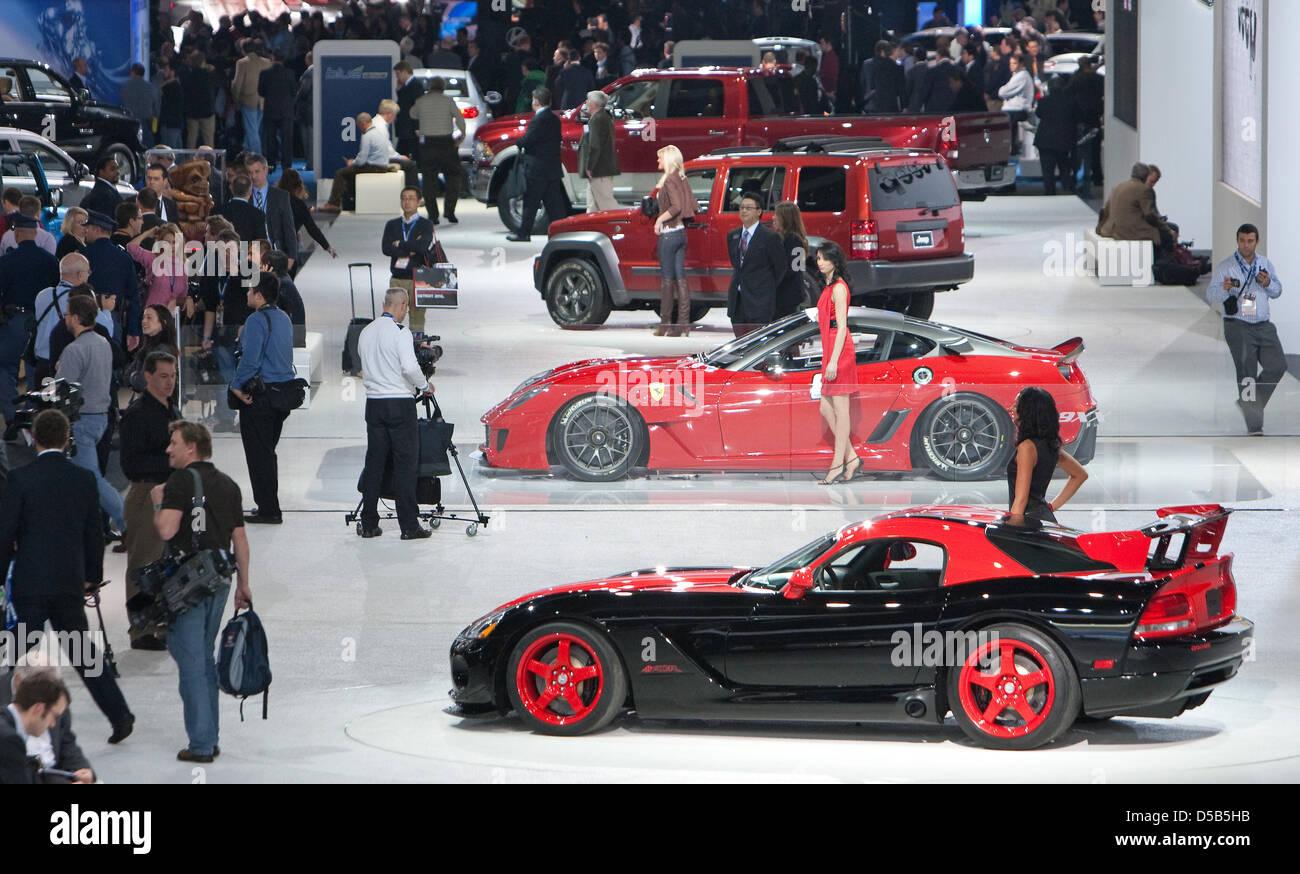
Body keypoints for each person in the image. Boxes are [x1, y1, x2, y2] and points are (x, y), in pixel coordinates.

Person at [0, 410, 134, 743]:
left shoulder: (20, 479)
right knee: (83, 653)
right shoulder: (83, 479)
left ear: (33, 438)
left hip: (30, 585)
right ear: (66, 438)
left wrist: (2, 578)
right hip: (68, 583)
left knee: (11, 654)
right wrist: (91, 577)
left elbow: (5, 533)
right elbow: (94, 533)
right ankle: (120, 716)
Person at [154, 420, 251, 762]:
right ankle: (210, 735)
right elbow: (240, 538)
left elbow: (167, 530)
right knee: (203, 657)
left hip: (188, 585)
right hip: (220, 579)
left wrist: (158, 502)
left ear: (191, 447)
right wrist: (244, 584)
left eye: (174, 443)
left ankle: (201, 744)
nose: (168, 449)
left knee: (192, 661)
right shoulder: (228, 485)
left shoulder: (179, 482)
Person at [356, 287, 435, 541]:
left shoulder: (366, 332)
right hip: (399, 405)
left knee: (374, 464)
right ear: (400, 306)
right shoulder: (400, 332)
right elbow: (409, 367)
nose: (406, 312)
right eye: (406, 307)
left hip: (374, 405)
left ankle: (369, 523)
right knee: (405, 466)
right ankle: (409, 526)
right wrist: (424, 385)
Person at [119, 351, 180, 649]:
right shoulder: (137, 415)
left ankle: (161, 620)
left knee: (165, 560)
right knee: (143, 562)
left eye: (173, 376)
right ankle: (141, 629)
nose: (170, 382)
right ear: (148, 377)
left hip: (170, 492)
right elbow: (131, 465)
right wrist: (171, 460)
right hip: (146, 494)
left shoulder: (171, 409)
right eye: (163, 376)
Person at [56, 295, 126, 535]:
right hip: (102, 417)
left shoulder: (74, 350)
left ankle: (127, 521)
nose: (65, 318)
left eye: (67, 314)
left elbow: (62, 390)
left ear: (76, 318)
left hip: (81, 421)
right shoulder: (103, 343)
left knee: (92, 480)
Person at [229, 272, 296, 524]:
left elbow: (250, 360)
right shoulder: (284, 318)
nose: (247, 294)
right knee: (267, 452)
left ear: (259, 295)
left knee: (259, 455)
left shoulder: (256, 320)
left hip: (260, 397)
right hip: (282, 395)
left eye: (250, 290)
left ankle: (269, 509)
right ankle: (268, 505)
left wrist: (236, 386)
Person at [1208, 224, 1286, 435]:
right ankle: (1254, 425)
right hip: (1238, 325)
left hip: (1263, 324)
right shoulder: (1227, 266)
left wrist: (1267, 283)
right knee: (1247, 373)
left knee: (1277, 365)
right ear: (1237, 241)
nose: (1246, 245)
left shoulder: (1265, 264)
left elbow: (1277, 291)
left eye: (1250, 241)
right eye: (1242, 240)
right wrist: (1223, 289)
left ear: (1256, 241)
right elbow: (1211, 295)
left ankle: (1249, 403)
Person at [0, 215, 59, 419]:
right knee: (39, 368)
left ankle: (12, 416)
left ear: (16, 234)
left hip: (14, 320)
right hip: (43, 321)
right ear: (35, 234)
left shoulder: (6, 261)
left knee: (5, 367)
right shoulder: (50, 261)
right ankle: (36, 414)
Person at [811, 243, 861, 484]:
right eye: (818, 258)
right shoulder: (829, 286)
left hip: (839, 351)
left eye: (824, 258)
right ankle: (851, 457)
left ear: (835, 261)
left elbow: (842, 327)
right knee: (825, 407)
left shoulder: (839, 288)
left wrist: (833, 361)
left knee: (841, 410)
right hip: (829, 347)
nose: (819, 262)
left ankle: (837, 464)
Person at [1007, 386, 1088, 524]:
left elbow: (1021, 500)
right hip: (1042, 519)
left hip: (1027, 523)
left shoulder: (1027, 447)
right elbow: (1080, 475)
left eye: (1016, 405)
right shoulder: (1050, 444)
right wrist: (1050, 507)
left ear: (1028, 411)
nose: (1011, 409)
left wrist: (1011, 529)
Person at [2, 667, 94, 784]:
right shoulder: (8, 739)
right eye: (54, 716)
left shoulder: (8, 727)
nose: (53, 724)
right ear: (38, 708)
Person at [508, 88, 566, 243]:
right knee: (554, 205)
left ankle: (523, 233)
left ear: (536, 101)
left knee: (530, 203)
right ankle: (562, 233)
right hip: (552, 167)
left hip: (537, 169)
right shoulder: (554, 119)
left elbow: (528, 140)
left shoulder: (538, 120)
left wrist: (519, 142)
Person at [649, 145, 696, 337]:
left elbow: (676, 207)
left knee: (667, 280)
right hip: (681, 233)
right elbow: (691, 205)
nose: (657, 161)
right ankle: (683, 324)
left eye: (660, 158)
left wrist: (659, 220)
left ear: (668, 159)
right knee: (681, 279)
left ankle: (665, 324)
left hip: (669, 234)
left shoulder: (669, 180)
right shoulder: (682, 177)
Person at [726, 192, 787, 338]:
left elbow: (780, 268)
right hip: (738, 301)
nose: (744, 211)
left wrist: (765, 287)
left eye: (748, 208)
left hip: (760, 301)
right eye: (741, 208)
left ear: (759, 211)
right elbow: (737, 265)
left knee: (758, 343)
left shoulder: (769, 237)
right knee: (740, 344)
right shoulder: (733, 235)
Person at [409, 77, 467, 224]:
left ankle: (433, 215)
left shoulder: (421, 101)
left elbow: (412, 114)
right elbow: (459, 118)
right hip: (446, 143)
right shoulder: (448, 101)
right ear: (443, 87)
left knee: (429, 180)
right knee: (453, 176)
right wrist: (462, 135)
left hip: (428, 145)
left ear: (429, 87)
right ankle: (450, 211)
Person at [382, 187, 440, 334]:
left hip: (419, 277)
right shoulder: (392, 224)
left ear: (419, 202)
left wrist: (400, 244)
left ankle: (417, 346)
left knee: (417, 318)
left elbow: (422, 247)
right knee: (392, 318)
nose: (407, 202)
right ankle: (392, 344)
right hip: (397, 277)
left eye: (411, 198)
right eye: (404, 198)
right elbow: (386, 248)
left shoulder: (426, 224)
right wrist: (411, 249)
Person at [83, 209, 142, 348]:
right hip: (114, 317)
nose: (85, 231)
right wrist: (133, 330)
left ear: (97, 229)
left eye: (88, 228)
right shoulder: (123, 258)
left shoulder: (83, 255)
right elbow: (133, 296)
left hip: (85, 316)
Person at [30, 253, 90, 387]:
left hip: (42, 363)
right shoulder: (81, 301)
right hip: (67, 364)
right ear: (80, 274)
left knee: (44, 399)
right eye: (88, 272)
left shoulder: (42, 295)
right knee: (67, 400)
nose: (88, 276)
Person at [1096, 162, 1169, 255]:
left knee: (1163, 230)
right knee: (1165, 233)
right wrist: (1168, 230)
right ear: (1146, 176)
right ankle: (1163, 260)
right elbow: (1150, 215)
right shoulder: (1144, 190)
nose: (1153, 184)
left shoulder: (1118, 187)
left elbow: (1105, 209)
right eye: (1152, 181)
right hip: (1128, 231)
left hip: (1111, 229)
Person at [277, 168, 336, 274]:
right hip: (288, 248)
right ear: (299, 186)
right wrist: (327, 246)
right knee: (287, 277)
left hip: (270, 244)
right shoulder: (299, 205)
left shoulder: (274, 199)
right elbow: (312, 229)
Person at [244, 154, 298, 265]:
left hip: (275, 253)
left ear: (266, 170)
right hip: (250, 254)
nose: (253, 176)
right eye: (250, 173)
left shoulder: (281, 196)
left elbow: (289, 228)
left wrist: (291, 257)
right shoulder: (244, 196)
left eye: (257, 171)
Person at [127, 223, 188, 310]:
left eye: (174, 242)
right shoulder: (154, 259)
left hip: (170, 316)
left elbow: (182, 297)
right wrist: (148, 233)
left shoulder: (183, 266)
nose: (171, 246)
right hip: (151, 313)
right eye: (167, 243)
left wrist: (180, 300)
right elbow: (131, 247)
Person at [1032, 79, 1076, 195]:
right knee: (1064, 168)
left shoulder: (1043, 101)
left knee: (1047, 171)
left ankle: (1050, 193)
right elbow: (1076, 117)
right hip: (1064, 139)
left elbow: (1038, 114)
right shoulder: (1070, 102)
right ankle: (1067, 191)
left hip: (1045, 140)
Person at [580, 91, 620, 213]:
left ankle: (619, 223)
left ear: (594, 104)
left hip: (599, 169)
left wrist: (590, 166)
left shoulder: (597, 120)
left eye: (588, 100)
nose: (586, 102)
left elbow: (595, 146)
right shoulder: (603, 117)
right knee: (592, 205)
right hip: (602, 168)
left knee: (606, 204)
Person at [258, 50, 298, 172]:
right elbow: (294, 91)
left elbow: (261, 91)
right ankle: (287, 165)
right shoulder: (290, 73)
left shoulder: (265, 73)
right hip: (286, 111)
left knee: (270, 139)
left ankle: (271, 164)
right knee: (287, 139)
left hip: (270, 110)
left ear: (272, 58)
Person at [126, 305, 179, 393]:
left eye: (149, 318)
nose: (144, 321)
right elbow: (126, 376)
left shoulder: (162, 350)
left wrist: (133, 376)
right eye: (143, 317)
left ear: (163, 322)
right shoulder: (147, 348)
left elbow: (143, 382)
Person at [232, 39, 272, 156]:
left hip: (248, 100)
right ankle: (247, 152)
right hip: (263, 101)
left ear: (243, 49)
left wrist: (236, 99)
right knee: (254, 129)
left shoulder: (242, 63)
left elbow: (237, 84)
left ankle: (257, 157)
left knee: (251, 130)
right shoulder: (267, 62)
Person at [372, 100, 422, 188]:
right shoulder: (380, 127)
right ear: (390, 114)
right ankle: (413, 192)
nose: (395, 119)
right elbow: (387, 151)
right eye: (395, 115)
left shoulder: (376, 122)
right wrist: (400, 157)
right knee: (411, 165)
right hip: (379, 160)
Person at [772, 201, 810, 317]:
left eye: (777, 215)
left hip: (787, 295)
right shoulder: (793, 238)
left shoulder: (793, 240)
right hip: (790, 293)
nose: (773, 218)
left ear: (785, 218)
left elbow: (791, 270)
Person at [998, 53, 1034, 154]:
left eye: (1014, 63)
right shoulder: (1016, 76)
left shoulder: (1022, 76)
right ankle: (1010, 147)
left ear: (1021, 64)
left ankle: (1011, 148)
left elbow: (1002, 92)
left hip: (1018, 109)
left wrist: (1003, 90)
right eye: (1010, 63)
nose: (1011, 65)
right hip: (1013, 108)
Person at [218, 174, 270, 242]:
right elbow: (259, 242)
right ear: (250, 191)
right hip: (246, 248)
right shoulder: (258, 215)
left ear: (232, 189)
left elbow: (211, 241)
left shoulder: (217, 210)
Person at [861, 40, 905, 114]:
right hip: (890, 105)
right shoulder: (895, 67)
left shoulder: (866, 64)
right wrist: (904, 106)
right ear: (883, 51)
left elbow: (863, 83)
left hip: (870, 104)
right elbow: (901, 89)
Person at [120, 63, 158, 149]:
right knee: (148, 147)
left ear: (133, 72)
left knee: (131, 147)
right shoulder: (150, 87)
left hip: (130, 121)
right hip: (146, 122)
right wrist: (154, 126)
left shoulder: (125, 87)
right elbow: (156, 108)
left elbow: (122, 104)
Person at [393, 61, 425, 157]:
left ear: (404, 72)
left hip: (411, 128)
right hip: (406, 127)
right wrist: (399, 91)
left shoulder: (416, 85)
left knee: (412, 153)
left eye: (398, 74)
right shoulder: (406, 86)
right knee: (404, 153)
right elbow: (404, 102)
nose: (397, 77)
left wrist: (417, 127)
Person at [79, 155, 124, 219]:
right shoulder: (104, 196)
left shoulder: (103, 191)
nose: (117, 172)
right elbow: (104, 222)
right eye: (112, 169)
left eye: (117, 169)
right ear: (101, 172)